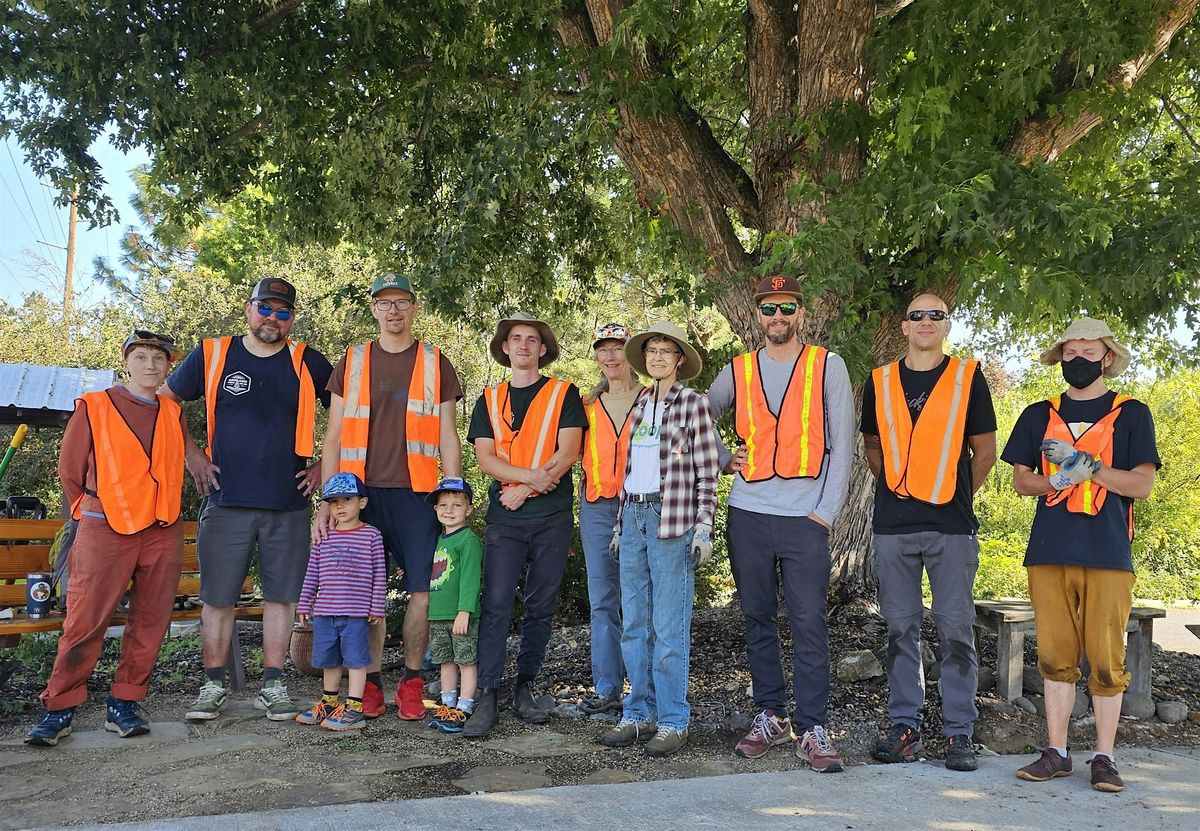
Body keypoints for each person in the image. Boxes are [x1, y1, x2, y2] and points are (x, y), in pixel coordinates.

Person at [1002, 318, 1159, 793]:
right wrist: (1056, 479)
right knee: (1054, 654)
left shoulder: (1132, 414)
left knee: (1108, 659)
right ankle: (1057, 752)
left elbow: (1142, 485)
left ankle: (1105, 757)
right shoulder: (1037, 413)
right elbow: (1020, 481)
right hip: (1049, 550)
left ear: (1107, 358)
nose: (1079, 362)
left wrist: (1086, 467)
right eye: (1071, 353)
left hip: (1108, 553)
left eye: (1089, 354)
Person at [168, 278, 333, 723]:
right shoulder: (213, 353)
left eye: (282, 312)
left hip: (290, 501)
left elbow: (349, 414)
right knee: (218, 599)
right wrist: (192, 455)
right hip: (226, 499)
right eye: (265, 308)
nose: (272, 319)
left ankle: (274, 686)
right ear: (248, 308)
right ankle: (213, 685)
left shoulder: (307, 362)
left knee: (282, 598)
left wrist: (324, 466)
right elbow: (166, 401)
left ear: (291, 319)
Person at [708, 274, 855, 772]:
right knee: (756, 616)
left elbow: (844, 446)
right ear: (757, 316)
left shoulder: (826, 366)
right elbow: (697, 415)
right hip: (748, 511)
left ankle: (813, 726)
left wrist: (825, 513)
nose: (778, 318)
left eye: (787, 309)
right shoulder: (739, 370)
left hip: (804, 517)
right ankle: (771, 714)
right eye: (769, 309)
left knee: (809, 622)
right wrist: (723, 454)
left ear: (801, 314)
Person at [27, 330, 187, 746]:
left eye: (159, 358)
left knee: (150, 622)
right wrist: (98, 510)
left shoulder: (172, 412)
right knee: (85, 621)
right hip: (105, 526)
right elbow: (70, 471)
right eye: (142, 357)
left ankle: (125, 704)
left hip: (162, 528)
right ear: (126, 362)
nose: (151, 365)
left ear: (167, 366)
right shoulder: (95, 406)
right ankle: (59, 708)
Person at [319, 271, 464, 720]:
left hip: (417, 495)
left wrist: (454, 499)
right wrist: (327, 503)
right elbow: (334, 436)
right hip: (359, 495)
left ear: (414, 308)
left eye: (402, 301)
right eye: (385, 302)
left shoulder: (435, 361)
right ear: (374, 309)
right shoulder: (354, 359)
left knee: (423, 592)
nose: (394, 310)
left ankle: (413, 682)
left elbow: (447, 435)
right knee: (364, 593)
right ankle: (373, 683)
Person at [861, 293, 997, 772]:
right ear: (903, 326)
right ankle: (906, 727)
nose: (925, 322)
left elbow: (984, 453)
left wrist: (952, 494)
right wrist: (899, 487)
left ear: (946, 325)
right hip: (893, 527)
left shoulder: (967, 377)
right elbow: (873, 444)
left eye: (934, 315)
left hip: (951, 529)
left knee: (955, 629)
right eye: (916, 315)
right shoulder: (878, 381)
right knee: (901, 629)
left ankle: (959, 732)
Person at [462, 312, 586, 738]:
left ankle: (526, 687)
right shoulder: (490, 397)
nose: (523, 345)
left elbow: (568, 451)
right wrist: (529, 480)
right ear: (504, 347)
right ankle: (487, 693)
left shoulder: (562, 393)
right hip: (505, 519)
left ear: (543, 349)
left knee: (540, 605)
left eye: (532, 339)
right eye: (515, 339)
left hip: (550, 518)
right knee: (495, 603)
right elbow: (485, 458)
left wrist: (525, 490)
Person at [600, 322, 719, 757]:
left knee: (669, 626)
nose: (658, 357)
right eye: (651, 350)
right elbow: (627, 471)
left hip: (672, 520)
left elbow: (708, 472)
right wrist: (618, 526)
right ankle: (638, 714)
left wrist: (704, 527)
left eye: (667, 351)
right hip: (633, 515)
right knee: (633, 623)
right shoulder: (639, 405)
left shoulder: (694, 404)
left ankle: (673, 719)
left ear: (680, 360)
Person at [577, 322, 645, 715]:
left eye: (617, 347)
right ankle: (606, 689)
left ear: (629, 354)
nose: (610, 355)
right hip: (598, 508)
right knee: (603, 600)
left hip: (642, 507)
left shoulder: (653, 399)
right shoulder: (586, 407)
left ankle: (644, 689)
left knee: (641, 600)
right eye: (602, 348)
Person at [294, 473, 386, 731]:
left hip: (355, 613)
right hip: (325, 613)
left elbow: (379, 572)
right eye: (334, 502)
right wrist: (304, 603)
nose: (340, 506)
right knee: (328, 659)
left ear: (362, 503)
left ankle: (355, 708)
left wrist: (377, 605)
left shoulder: (371, 536)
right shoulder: (324, 536)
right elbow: (312, 572)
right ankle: (330, 702)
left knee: (356, 660)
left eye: (347, 499)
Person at [424, 478, 484, 734]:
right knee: (445, 660)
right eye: (443, 505)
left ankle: (465, 705)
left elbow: (471, 579)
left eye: (456, 505)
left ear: (468, 509)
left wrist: (464, 612)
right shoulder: (438, 540)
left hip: (460, 616)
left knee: (465, 660)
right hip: (438, 614)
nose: (449, 511)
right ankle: (447, 702)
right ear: (436, 510)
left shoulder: (468, 540)